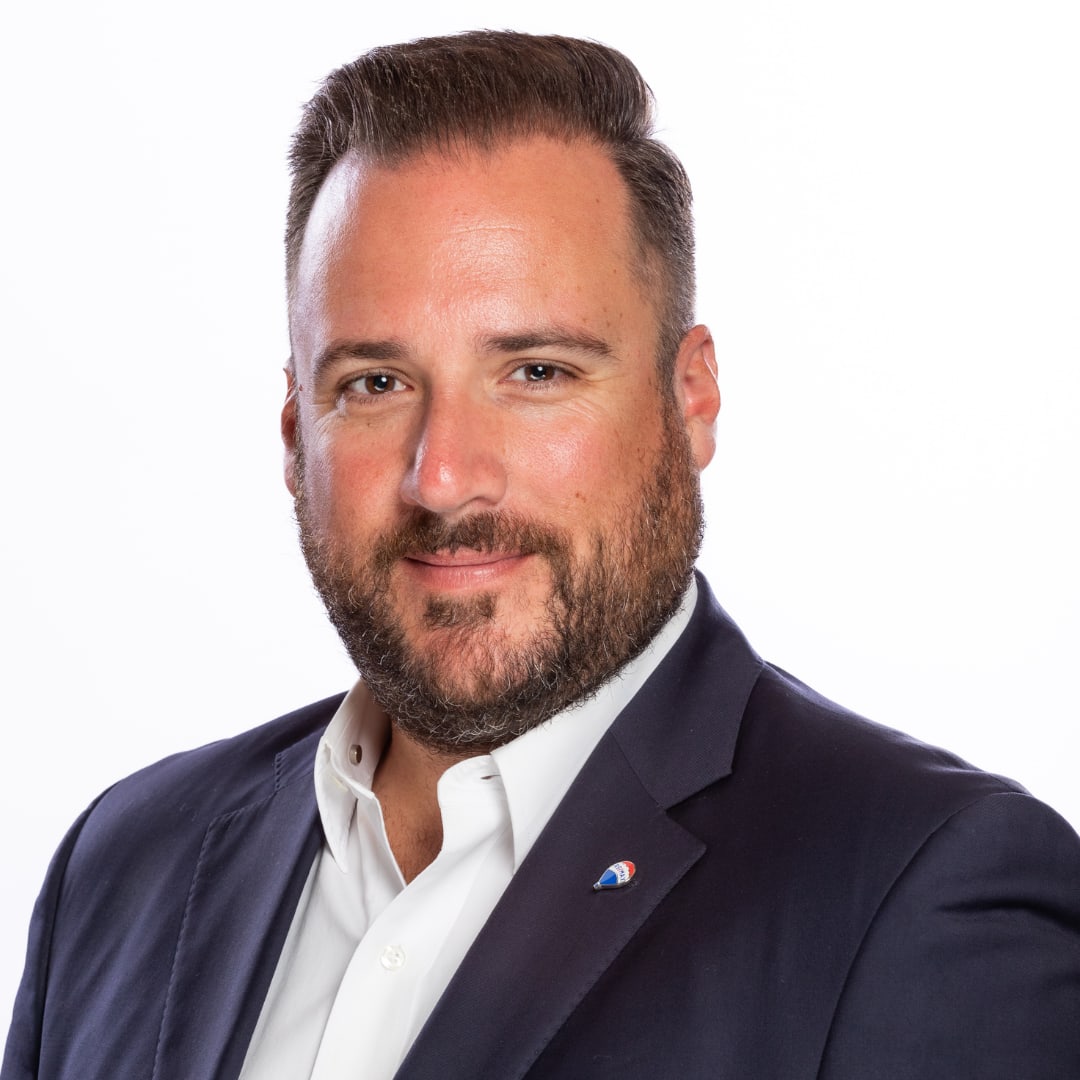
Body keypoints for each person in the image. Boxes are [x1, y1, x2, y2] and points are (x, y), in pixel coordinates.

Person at [4, 30, 1079, 1080]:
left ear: (691, 398)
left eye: (537, 373)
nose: (443, 477)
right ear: (296, 435)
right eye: (375, 384)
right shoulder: (125, 867)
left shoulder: (921, 896)